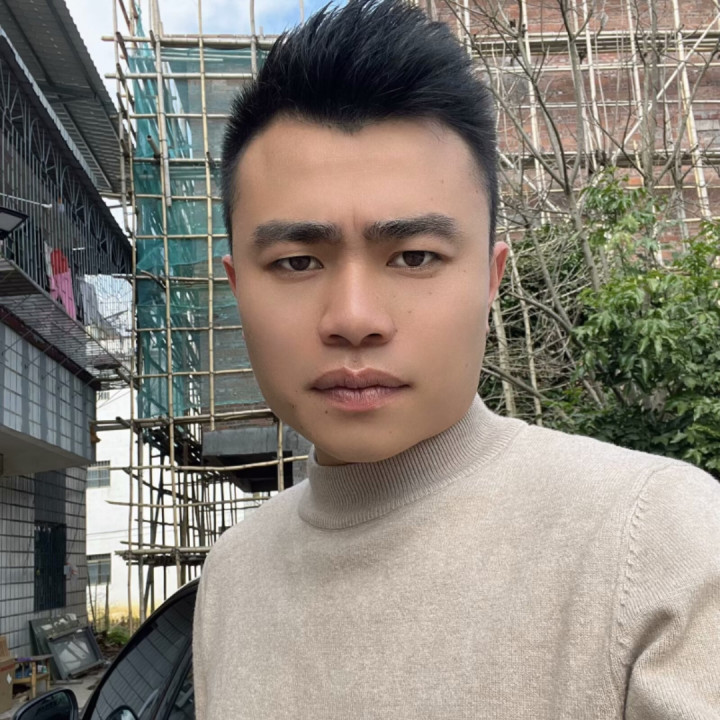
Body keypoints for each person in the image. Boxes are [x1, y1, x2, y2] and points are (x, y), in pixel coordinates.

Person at [193, 1, 720, 717]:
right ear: (237, 288)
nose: (354, 319)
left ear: (492, 278)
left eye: (414, 257)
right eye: (296, 262)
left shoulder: (655, 538)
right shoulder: (233, 571)